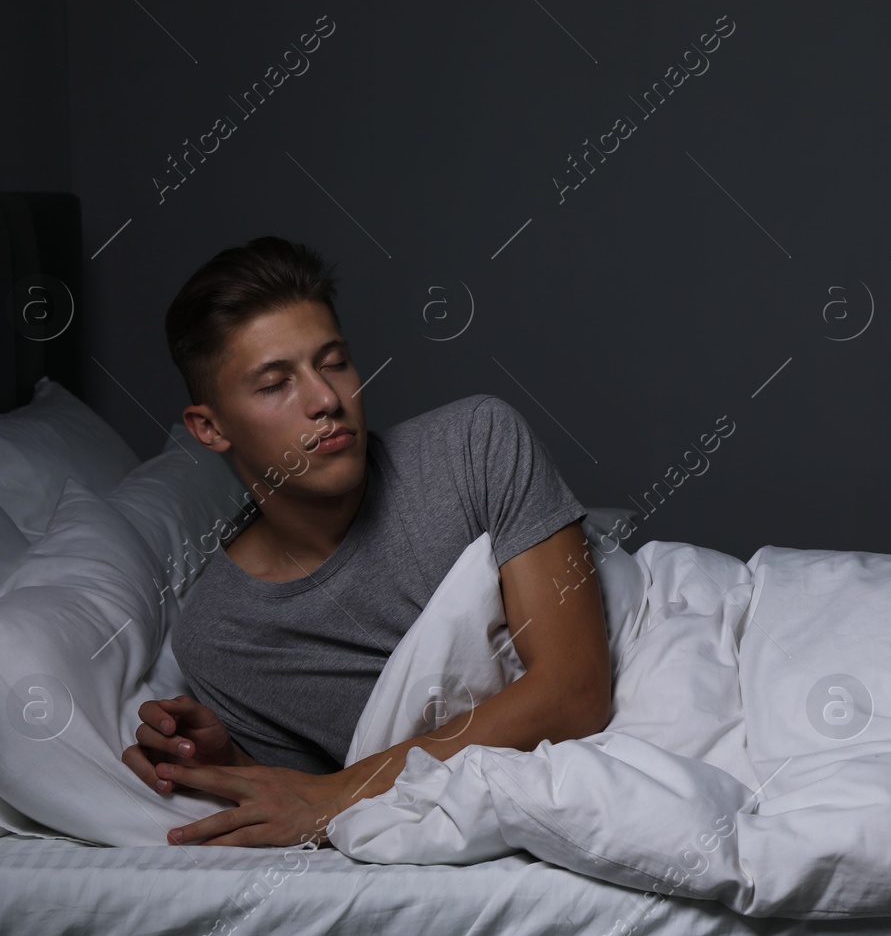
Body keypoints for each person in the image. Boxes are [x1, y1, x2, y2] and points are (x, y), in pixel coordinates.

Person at [120, 236, 612, 848]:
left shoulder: (475, 443)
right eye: (276, 383)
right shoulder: (221, 637)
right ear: (210, 427)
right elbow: (324, 800)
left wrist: (334, 793)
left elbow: (578, 693)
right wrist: (238, 763)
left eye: (333, 362)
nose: (326, 399)